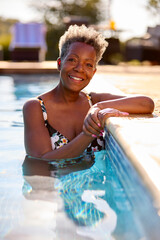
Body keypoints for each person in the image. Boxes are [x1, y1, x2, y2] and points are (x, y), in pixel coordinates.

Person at [23, 24, 154, 160]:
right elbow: (41, 161)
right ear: (59, 63)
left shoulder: (94, 101)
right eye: (72, 60)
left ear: (94, 72)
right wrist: (88, 134)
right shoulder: (35, 107)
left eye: (88, 65)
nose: (80, 69)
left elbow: (146, 103)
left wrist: (98, 107)